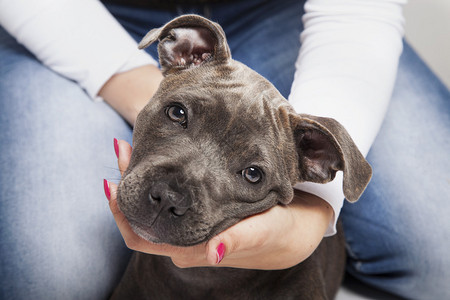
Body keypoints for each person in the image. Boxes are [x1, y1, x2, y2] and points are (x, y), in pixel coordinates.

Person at [0, 0, 448, 299]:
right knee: (45, 277)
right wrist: (136, 85)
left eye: (251, 173)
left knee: (440, 254)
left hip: (289, 13)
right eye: (177, 115)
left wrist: (314, 216)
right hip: (79, 13)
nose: (170, 197)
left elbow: (355, 16)